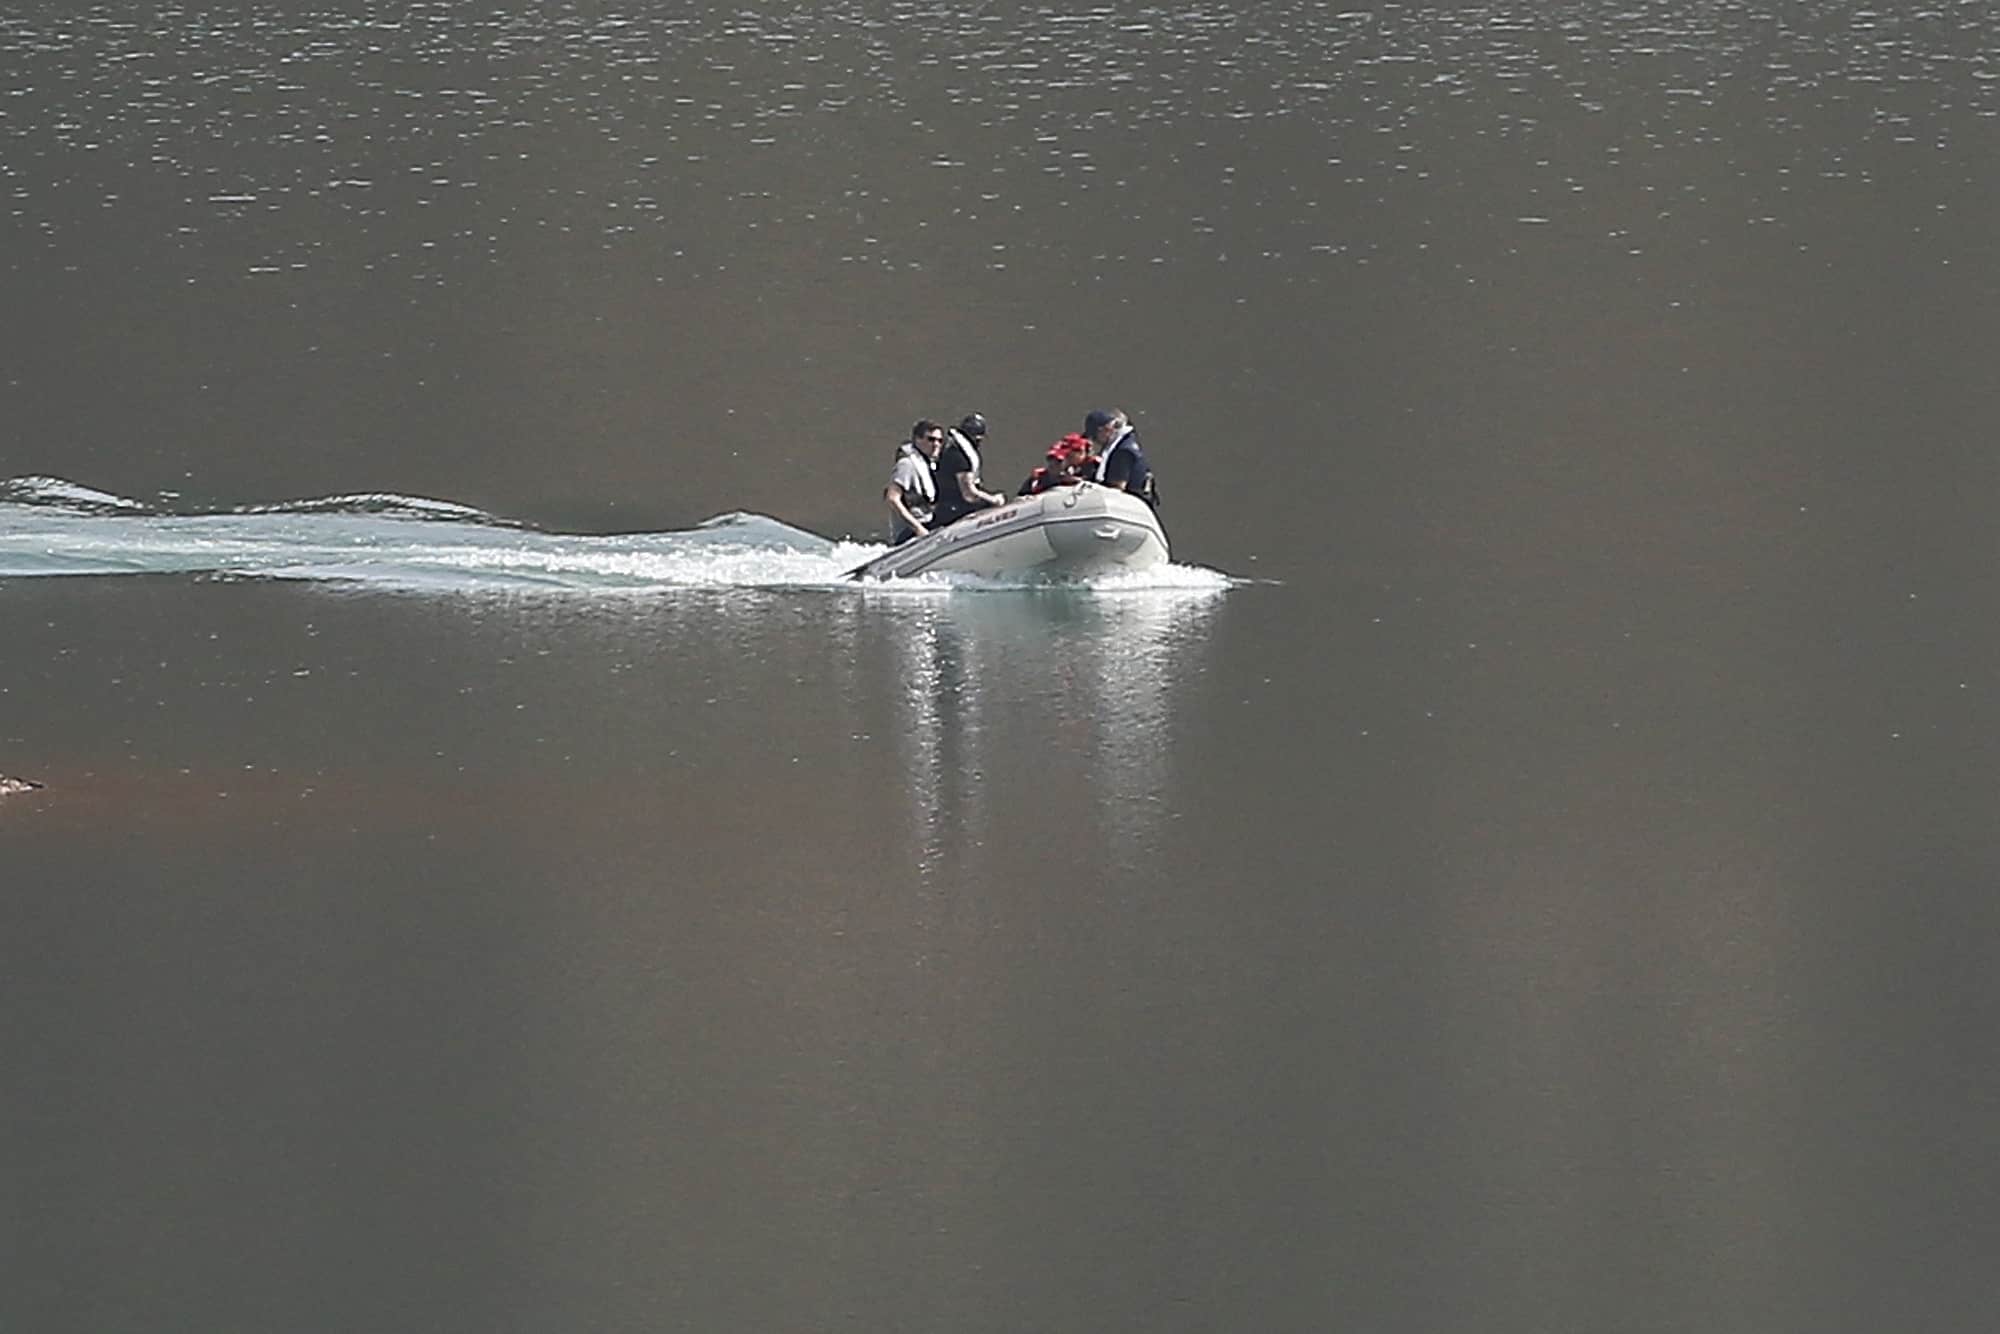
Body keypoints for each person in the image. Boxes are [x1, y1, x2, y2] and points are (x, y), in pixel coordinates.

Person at [931, 411, 1009, 528]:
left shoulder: (951, 449)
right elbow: (969, 494)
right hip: (953, 512)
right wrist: (994, 500)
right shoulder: (959, 456)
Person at [1083, 408, 1158, 509]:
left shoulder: (1123, 452)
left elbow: (1117, 489)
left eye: (1094, 436)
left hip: (1131, 506)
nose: (1095, 441)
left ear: (1105, 429)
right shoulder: (1126, 442)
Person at [884, 419, 942, 544]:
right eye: (931, 439)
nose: (936, 444)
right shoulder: (907, 465)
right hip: (910, 532)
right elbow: (892, 498)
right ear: (917, 440)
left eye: (939, 441)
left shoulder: (928, 465)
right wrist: (918, 529)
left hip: (928, 522)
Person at [1017, 433, 1094, 495]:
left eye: (1059, 461)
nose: (1053, 464)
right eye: (1050, 459)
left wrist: (1074, 481)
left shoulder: (1092, 467)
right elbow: (1021, 499)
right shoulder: (1038, 477)